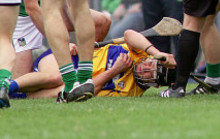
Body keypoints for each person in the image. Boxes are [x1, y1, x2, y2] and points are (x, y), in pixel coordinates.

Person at [7, 29, 176, 99]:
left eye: (150, 74)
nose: (145, 68)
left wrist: (114, 71)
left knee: (67, 89)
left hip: (77, 80)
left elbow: (89, 91)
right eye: (150, 64)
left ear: (153, 84)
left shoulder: (130, 91)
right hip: (68, 57)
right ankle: (7, 87)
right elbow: (129, 33)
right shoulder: (140, 53)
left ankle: (18, 96)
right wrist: (156, 53)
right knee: (59, 77)